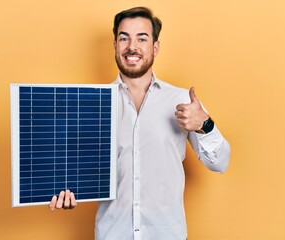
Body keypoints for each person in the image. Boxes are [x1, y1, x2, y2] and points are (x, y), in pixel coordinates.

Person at [49, 6, 230, 240]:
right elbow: (72, 170)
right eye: (124, 38)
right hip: (111, 234)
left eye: (141, 38)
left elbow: (220, 163)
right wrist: (67, 192)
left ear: (155, 47)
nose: (132, 47)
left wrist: (204, 125)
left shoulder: (183, 100)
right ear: (115, 45)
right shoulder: (91, 104)